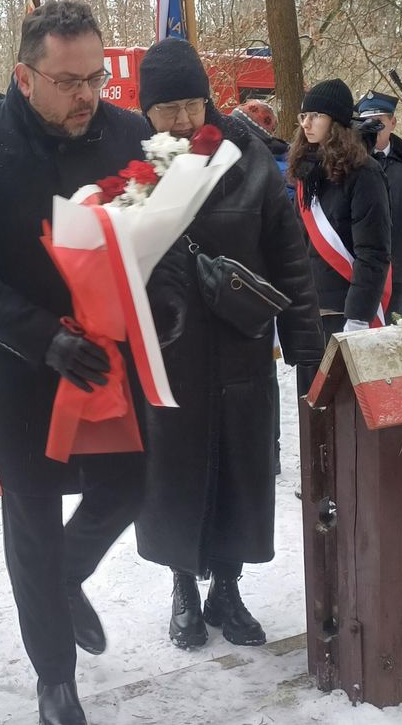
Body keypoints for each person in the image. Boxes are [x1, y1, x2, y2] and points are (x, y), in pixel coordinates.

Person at [0, 0, 147, 725]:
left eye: (96, 78)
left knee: (130, 484)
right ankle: (55, 676)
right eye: (69, 81)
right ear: (25, 77)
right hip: (19, 364)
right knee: (32, 515)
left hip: (110, 357)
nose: (88, 95)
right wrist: (42, 338)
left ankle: (65, 576)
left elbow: (152, 233)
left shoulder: (129, 134)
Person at [131, 38, 325, 652]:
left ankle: (228, 589)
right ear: (146, 110)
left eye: (192, 104)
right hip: (167, 353)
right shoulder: (134, 168)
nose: (184, 119)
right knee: (174, 475)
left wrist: (306, 345)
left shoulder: (246, 157)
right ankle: (184, 588)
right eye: (168, 109)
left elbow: (289, 257)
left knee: (242, 471)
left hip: (243, 348)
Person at [289, 79, 392, 337]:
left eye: (316, 115)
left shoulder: (364, 173)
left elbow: (373, 252)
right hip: (310, 309)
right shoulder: (307, 171)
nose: (306, 124)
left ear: (335, 121)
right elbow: (298, 244)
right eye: (304, 115)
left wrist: (358, 316)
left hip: (344, 311)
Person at [356, 91, 402, 321]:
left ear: (393, 122)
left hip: (396, 269)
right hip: (355, 268)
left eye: (379, 121)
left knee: (390, 331)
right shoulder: (349, 162)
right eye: (366, 122)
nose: (373, 128)